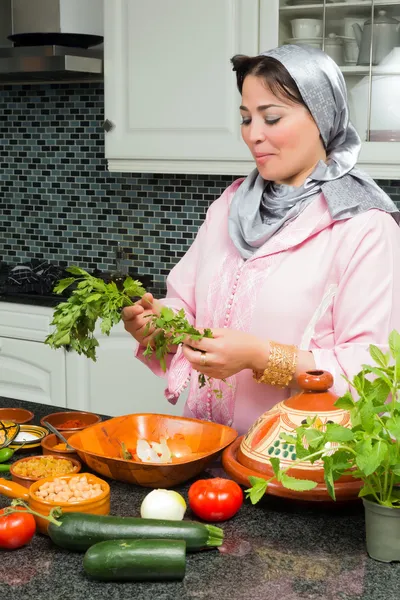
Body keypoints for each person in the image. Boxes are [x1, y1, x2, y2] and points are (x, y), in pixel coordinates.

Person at [122, 44, 400, 436]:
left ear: (322, 118)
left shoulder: (364, 225)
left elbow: (373, 374)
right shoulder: (232, 204)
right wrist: (161, 325)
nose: (254, 135)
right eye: (246, 118)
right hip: (203, 448)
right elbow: (188, 303)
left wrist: (261, 356)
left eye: (271, 118)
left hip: (299, 468)